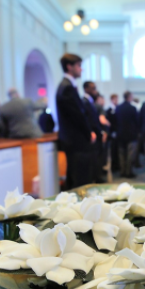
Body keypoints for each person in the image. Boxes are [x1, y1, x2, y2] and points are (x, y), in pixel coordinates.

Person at [56, 54, 96, 189]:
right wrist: (89, 133)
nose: (81, 69)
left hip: (74, 140)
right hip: (76, 140)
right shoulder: (66, 88)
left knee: (78, 176)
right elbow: (77, 116)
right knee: (80, 180)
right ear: (69, 66)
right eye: (79, 66)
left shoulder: (68, 86)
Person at [82, 81, 106, 183]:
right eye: (93, 88)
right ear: (86, 89)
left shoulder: (90, 102)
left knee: (97, 158)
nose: (95, 90)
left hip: (96, 134)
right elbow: (88, 120)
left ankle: (97, 176)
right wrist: (92, 131)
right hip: (92, 135)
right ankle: (95, 178)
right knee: (94, 159)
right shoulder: (85, 102)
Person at [115, 91, 139, 178]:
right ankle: (129, 172)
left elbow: (116, 121)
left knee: (121, 154)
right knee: (130, 154)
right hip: (131, 134)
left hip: (120, 134)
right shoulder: (132, 108)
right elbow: (137, 122)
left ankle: (122, 171)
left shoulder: (118, 108)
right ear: (129, 97)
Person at [106, 94, 120, 172]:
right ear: (112, 100)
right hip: (112, 133)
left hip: (118, 133)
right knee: (112, 150)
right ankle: (113, 166)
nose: (116, 101)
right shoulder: (109, 110)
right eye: (115, 99)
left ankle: (117, 165)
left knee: (117, 150)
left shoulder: (118, 109)